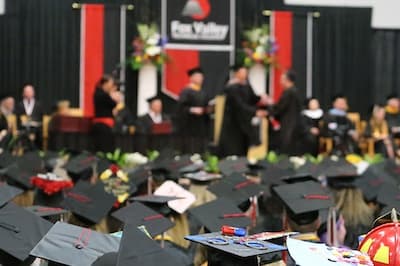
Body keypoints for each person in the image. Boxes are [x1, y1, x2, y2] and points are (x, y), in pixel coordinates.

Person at [218, 65, 268, 157]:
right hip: (234, 121)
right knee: (234, 144)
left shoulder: (246, 85)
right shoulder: (232, 87)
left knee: (244, 144)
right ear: (237, 73)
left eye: (246, 72)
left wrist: (261, 98)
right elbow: (239, 105)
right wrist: (254, 112)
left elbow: (252, 98)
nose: (245, 74)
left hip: (245, 120)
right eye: (243, 72)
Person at [176, 67, 210, 154]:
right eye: (198, 76)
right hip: (189, 125)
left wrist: (209, 109)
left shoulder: (203, 92)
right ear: (191, 78)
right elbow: (180, 108)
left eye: (201, 77)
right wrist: (192, 110)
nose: (201, 78)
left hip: (201, 124)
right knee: (191, 147)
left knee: (201, 147)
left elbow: (206, 106)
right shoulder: (186, 91)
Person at [270, 70, 303, 156]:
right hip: (293, 123)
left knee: (287, 148)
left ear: (287, 80)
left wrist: (269, 110)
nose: (280, 82)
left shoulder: (289, 92)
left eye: (282, 79)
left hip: (289, 124)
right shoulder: (294, 91)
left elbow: (280, 108)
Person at [92, 74, 119, 152]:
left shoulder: (100, 93)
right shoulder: (102, 94)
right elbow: (113, 103)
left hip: (105, 125)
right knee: (105, 148)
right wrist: (112, 94)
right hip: (102, 126)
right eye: (111, 84)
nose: (111, 86)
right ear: (105, 83)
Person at [15, 84, 44, 149]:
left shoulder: (38, 105)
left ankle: (36, 150)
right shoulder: (19, 105)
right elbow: (17, 119)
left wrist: (34, 122)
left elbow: (41, 118)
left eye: (30, 91)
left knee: (38, 132)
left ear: (33, 93)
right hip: (23, 128)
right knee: (22, 133)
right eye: (26, 92)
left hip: (36, 128)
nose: (28, 93)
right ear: (23, 93)